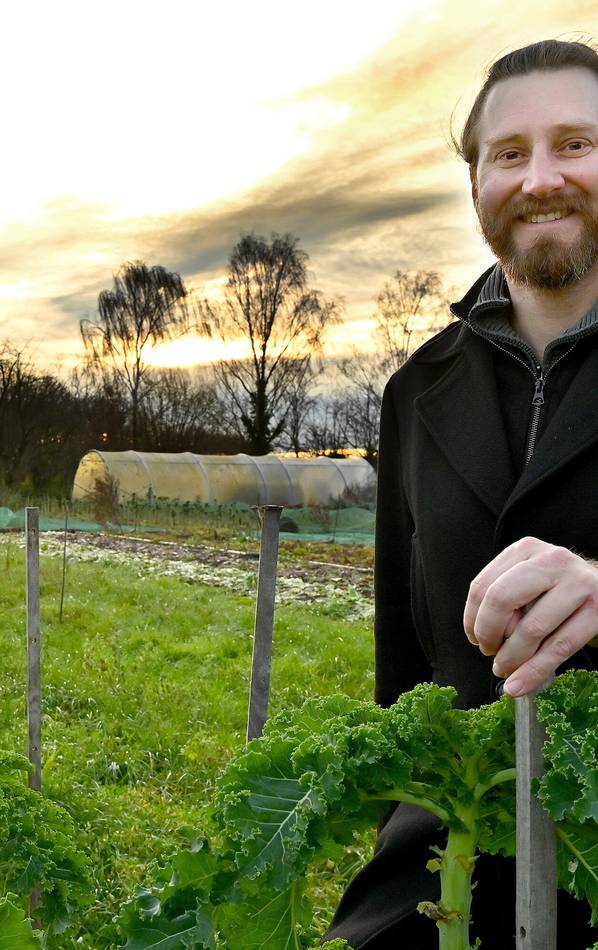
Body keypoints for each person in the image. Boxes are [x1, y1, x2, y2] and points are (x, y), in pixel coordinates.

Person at [324, 38, 598, 949]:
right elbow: (404, 663)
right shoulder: (416, 390)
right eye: (508, 154)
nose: (541, 178)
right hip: (455, 844)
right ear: (475, 183)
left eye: (576, 144)